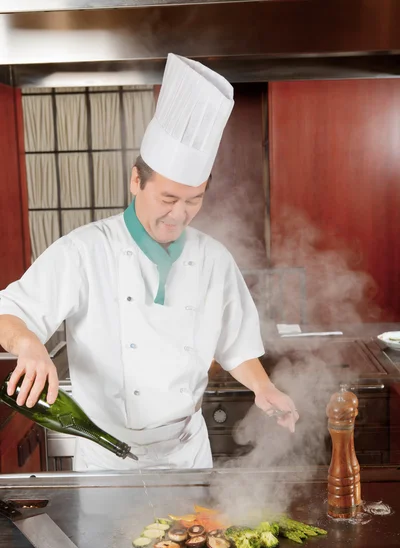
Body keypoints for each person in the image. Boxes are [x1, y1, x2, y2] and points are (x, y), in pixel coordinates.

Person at [0, 54, 298, 471]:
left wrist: (263, 388)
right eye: (169, 199)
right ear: (136, 180)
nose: (179, 214)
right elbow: (9, 310)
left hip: (187, 452)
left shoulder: (212, 258)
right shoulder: (86, 250)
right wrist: (29, 344)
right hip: (106, 456)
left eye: (194, 201)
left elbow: (235, 342)